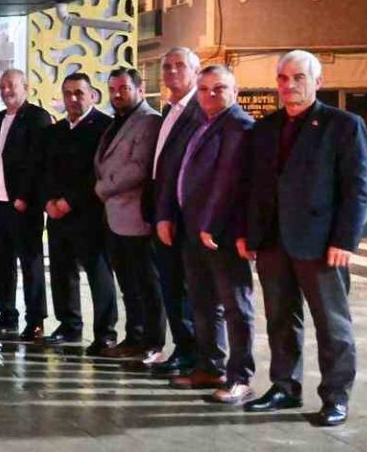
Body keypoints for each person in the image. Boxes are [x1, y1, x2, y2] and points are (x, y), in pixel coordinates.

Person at [240, 50, 367, 427]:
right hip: (272, 242)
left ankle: (336, 397)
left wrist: (345, 240)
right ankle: (284, 386)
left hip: (321, 243)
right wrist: (250, 234)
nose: (289, 85)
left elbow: (357, 189)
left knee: (332, 325)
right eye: (283, 78)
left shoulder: (343, 125)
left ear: (318, 82)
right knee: (280, 319)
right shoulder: (265, 128)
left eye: (298, 77)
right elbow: (255, 187)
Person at [158, 67, 256, 402]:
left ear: (235, 91)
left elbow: (230, 181)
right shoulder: (203, 123)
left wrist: (211, 224)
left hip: (221, 233)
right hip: (193, 229)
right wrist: (169, 215)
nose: (210, 95)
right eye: (203, 89)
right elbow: (179, 173)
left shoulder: (239, 126)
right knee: (202, 303)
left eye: (219, 88)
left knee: (235, 307)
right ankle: (211, 367)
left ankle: (240, 376)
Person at [39, 74, 118, 349]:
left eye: (79, 93)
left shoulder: (105, 127)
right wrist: (48, 201)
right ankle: (69, 325)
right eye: (68, 93)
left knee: (98, 273)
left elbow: (100, 173)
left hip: (90, 213)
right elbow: (43, 170)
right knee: (62, 271)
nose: (73, 99)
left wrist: (70, 201)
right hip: (56, 214)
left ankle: (106, 332)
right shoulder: (55, 131)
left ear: (92, 95)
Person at [0, 70, 52, 339]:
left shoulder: (37, 117)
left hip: (23, 206)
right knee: (1, 263)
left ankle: (36, 319)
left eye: (11, 85)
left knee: (30, 263)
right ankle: (7, 313)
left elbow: (38, 162)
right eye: (2, 86)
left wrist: (25, 196)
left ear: (26, 87)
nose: (6, 90)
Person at [93, 67, 165, 359]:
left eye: (123, 88)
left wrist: (102, 188)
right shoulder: (117, 121)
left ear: (139, 89)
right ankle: (134, 337)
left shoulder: (149, 121)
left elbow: (138, 167)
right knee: (128, 285)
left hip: (136, 217)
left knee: (148, 285)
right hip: (114, 217)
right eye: (112, 90)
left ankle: (153, 343)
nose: (117, 95)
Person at [146, 47, 205, 376]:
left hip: (183, 216)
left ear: (196, 71)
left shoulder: (200, 111)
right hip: (161, 213)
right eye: (167, 66)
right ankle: (182, 348)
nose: (171, 72)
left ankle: (193, 353)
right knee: (169, 286)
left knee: (185, 290)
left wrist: (169, 214)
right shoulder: (169, 110)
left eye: (179, 66)